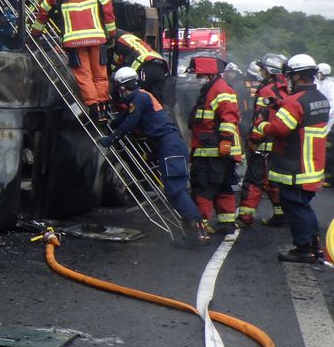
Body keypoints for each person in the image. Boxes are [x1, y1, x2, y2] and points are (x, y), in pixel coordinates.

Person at [100, 67, 212, 245]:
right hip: (167, 146)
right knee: (173, 192)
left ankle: (199, 233)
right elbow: (127, 115)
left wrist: (111, 139)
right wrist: (114, 123)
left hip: (170, 147)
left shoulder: (140, 98)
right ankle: (192, 236)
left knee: (176, 191)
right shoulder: (142, 97)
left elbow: (130, 121)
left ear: (122, 87)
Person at [29, 0, 117, 119]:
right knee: (100, 75)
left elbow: (42, 15)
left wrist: (35, 34)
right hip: (97, 39)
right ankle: (104, 109)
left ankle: (94, 111)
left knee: (85, 76)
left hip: (74, 42)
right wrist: (111, 34)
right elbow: (108, 12)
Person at [263, 54, 331, 263]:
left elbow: (280, 129)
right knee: (303, 205)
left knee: (295, 206)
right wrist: (281, 104)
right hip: (313, 163)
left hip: (296, 165)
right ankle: (314, 247)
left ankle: (304, 249)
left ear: (297, 76)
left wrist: (262, 126)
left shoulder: (294, 102)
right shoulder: (320, 98)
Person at [186, 56, 243, 231]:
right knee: (222, 185)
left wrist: (225, 140)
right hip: (213, 150)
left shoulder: (220, 90)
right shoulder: (210, 89)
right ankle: (226, 222)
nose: (197, 79)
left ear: (209, 74)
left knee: (203, 186)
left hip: (213, 151)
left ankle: (201, 225)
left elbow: (229, 118)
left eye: (199, 75)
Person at [239, 53, 288, 227]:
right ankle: (280, 215)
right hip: (279, 146)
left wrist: (253, 140)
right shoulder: (284, 89)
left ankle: (245, 218)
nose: (260, 72)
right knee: (275, 181)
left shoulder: (266, 91)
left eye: (262, 69)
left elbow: (260, 118)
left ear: (268, 71)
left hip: (263, 146)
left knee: (253, 181)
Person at [109, 30, 169, 103]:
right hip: (160, 66)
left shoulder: (117, 41)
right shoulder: (128, 38)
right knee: (156, 102)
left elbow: (116, 66)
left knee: (136, 98)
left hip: (145, 67)